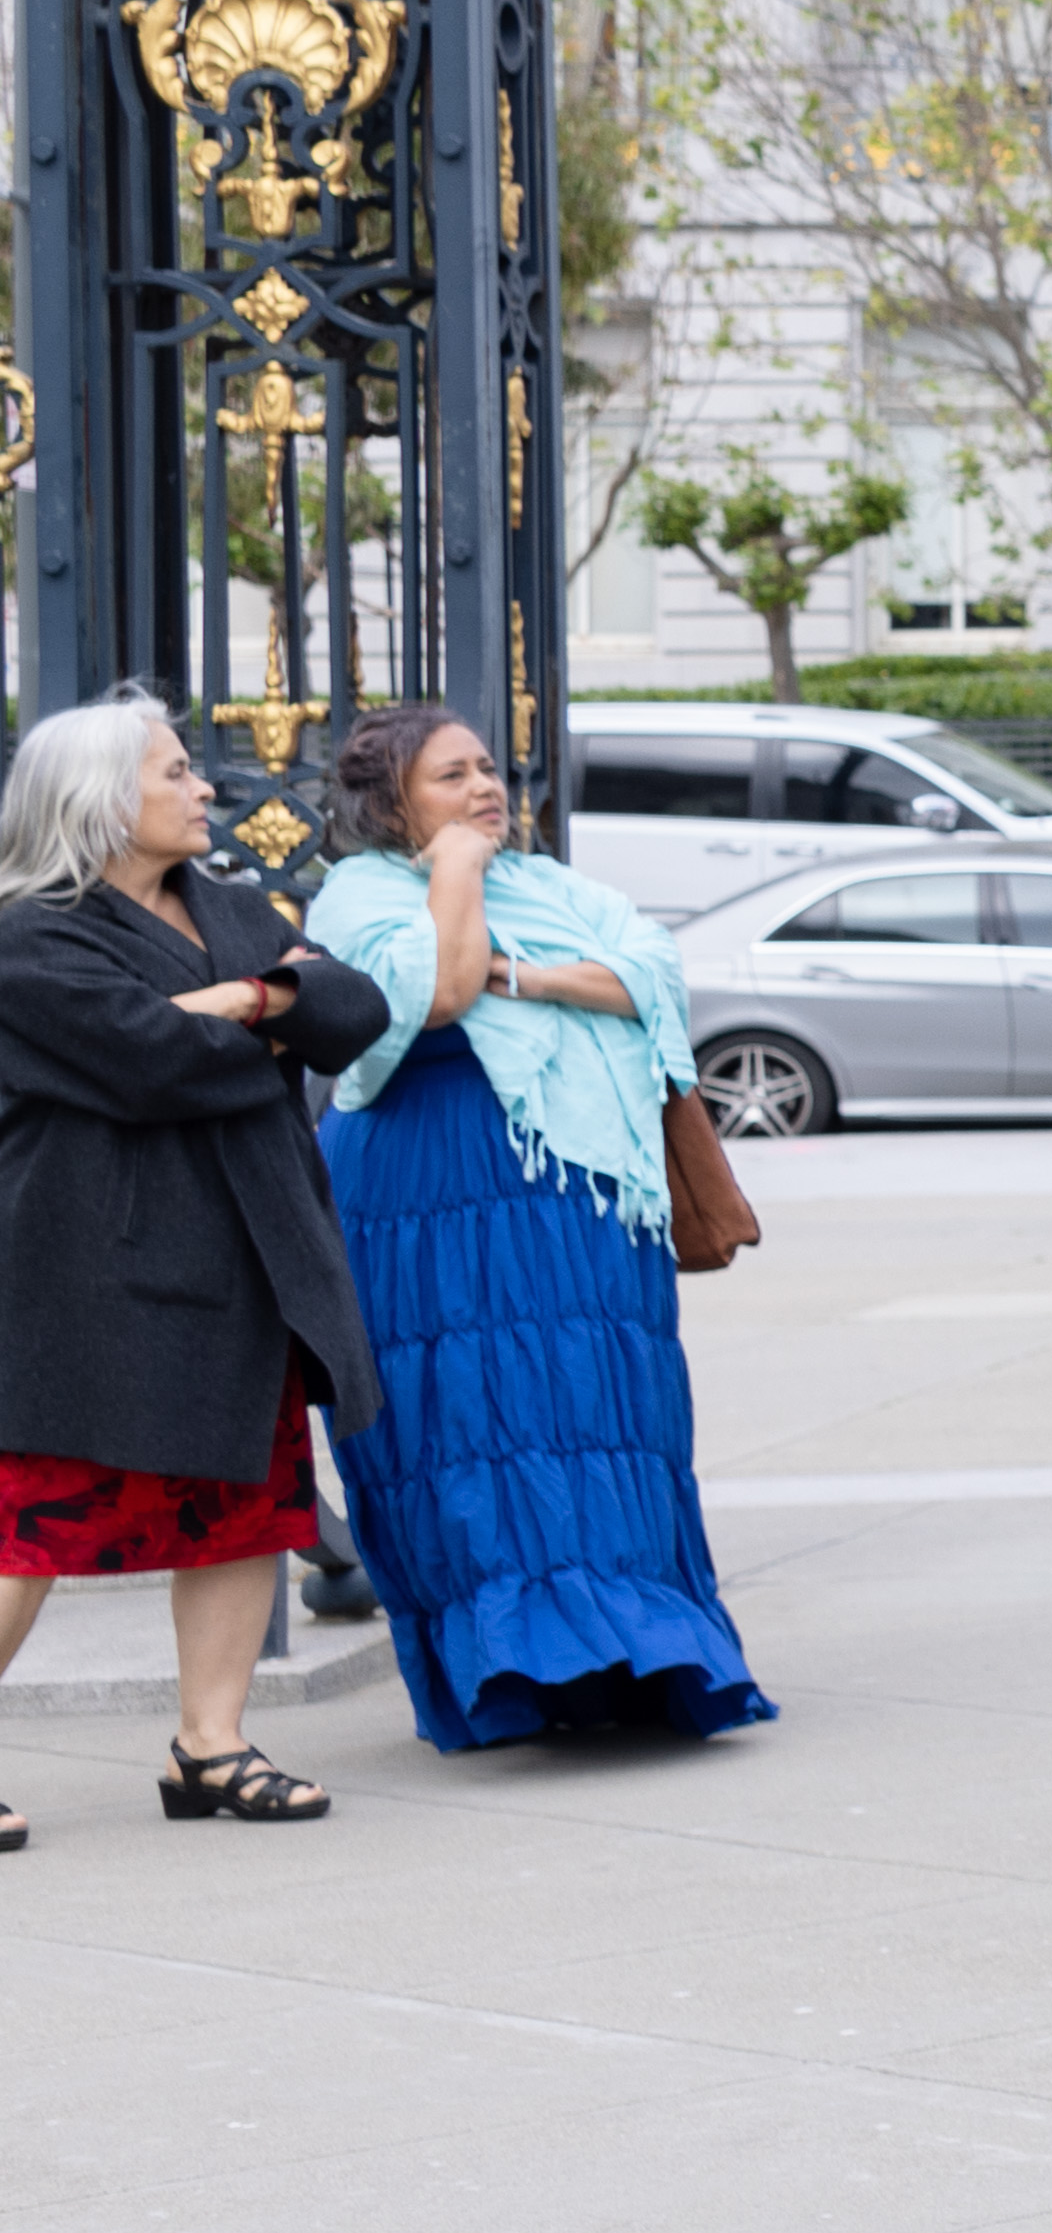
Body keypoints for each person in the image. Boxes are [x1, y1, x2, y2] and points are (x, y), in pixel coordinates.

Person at [300, 710, 769, 1751]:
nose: (485, 788)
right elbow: (435, 989)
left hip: (581, 1199)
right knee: (466, 1417)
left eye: (487, 769)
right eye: (451, 777)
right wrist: (457, 874)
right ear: (392, 804)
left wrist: (528, 974)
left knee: (602, 1410)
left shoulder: (557, 888)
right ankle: (516, 1667)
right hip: (430, 1196)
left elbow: (651, 976)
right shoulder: (358, 896)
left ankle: (645, 1660)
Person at [0, 694, 389, 1832]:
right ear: (104, 799)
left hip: (246, 1258)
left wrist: (248, 996)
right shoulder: (27, 934)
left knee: (242, 1510)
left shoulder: (227, 906)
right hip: (90, 1274)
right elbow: (151, 1062)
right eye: (177, 772)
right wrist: (264, 1014)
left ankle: (209, 1748)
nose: (203, 787)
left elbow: (353, 1008)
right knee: (33, 1523)